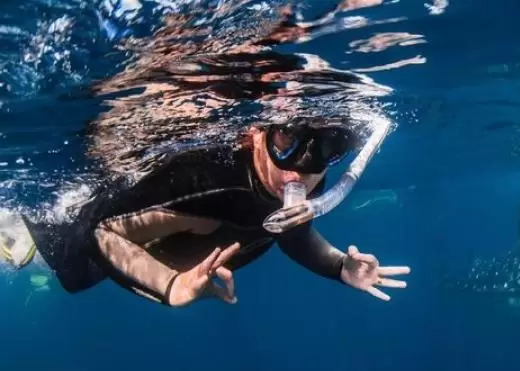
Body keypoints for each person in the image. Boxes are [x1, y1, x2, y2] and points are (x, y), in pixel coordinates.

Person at [0, 117, 409, 307]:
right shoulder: (207, 182)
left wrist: (338, 266)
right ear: (255, 135)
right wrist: (171, 286)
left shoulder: (298, 183)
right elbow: (104, 233)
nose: (296, 171)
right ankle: (20, 226)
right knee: (71, 271)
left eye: (325, 149)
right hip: (103, 232)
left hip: (169, 249)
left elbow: (292, 234)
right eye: (286, 140)